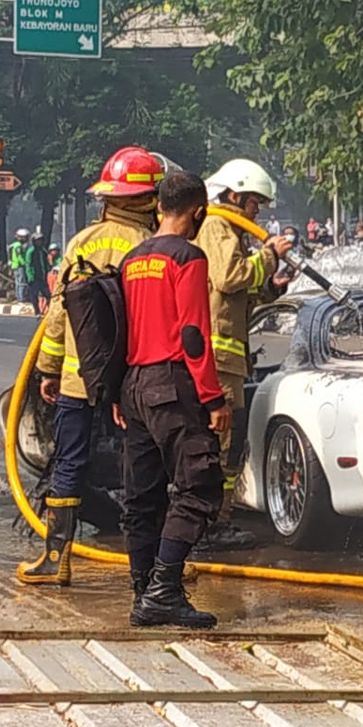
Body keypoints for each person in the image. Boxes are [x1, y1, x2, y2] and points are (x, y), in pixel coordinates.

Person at [17, 146, 163, 587]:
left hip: (78, 379)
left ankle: (55, 560)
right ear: (150, 199)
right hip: (131, 379)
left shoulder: (82, 242)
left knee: (69, 463)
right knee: (143, 464)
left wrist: (48, 368)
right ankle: (154, 565)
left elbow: (59, 314)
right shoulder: (152, 246)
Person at [116, 171, 228, 628]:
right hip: (173, 383)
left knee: (141, 497)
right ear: (198, 210)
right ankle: (164, 590)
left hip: (134, 385)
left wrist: (118, 394)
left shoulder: (132, 259)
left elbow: (120, 330)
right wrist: (213, 397)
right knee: (199, 485)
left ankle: (144, 593)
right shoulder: (188, 257)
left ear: (158, 206)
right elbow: (193, 336)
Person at [194, 158, 293, 552]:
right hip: (218, 359)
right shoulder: (216, 225)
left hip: (230, 360)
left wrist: (271, 288)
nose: (257, 212)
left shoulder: (231, 231)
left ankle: (218, 519)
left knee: (227, 445)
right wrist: (268, 254)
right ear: (234, 194)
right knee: (218, 443)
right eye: (254, 204)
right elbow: (228, 277)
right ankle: (208, 525)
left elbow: (237, 292)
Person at [24, 232, 51, 316]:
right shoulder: (30, 252)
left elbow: (46, 263)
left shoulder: (43, 251)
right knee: (34, 295)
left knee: (48, 295)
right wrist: (30, 276)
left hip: (42, 277)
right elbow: (28, 264)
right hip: (34, 277)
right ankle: (37, 311)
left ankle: (50, 311)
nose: (39, 242)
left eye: (40, 240)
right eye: (37, 240)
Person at [8, 228, 31, 303]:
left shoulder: (13, 245)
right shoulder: (18, 246)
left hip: (15, 265)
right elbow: (19, 256)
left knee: (18, 283)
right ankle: (21, 298)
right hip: (19, 266)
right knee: (22, 282)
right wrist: (25, 264)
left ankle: (19, 297)